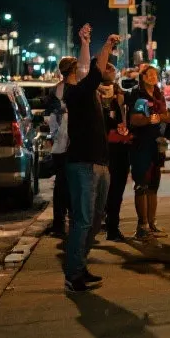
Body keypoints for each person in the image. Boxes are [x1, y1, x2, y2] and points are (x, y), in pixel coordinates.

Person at [62, 25, 118, 294]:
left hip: (99, 163)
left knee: (96, 219)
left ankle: (79, 265)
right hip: (83, 164)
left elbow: (92, 71)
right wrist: (103, 45)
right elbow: (93, 70)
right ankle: (73, 274)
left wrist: (87, 43)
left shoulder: (91, 94)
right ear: (74, 75)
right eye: (80, 71)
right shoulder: (75, 93)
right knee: (83, 220)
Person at [127, 65, 170, 241]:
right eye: (149, 74)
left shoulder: (158, 93)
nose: (153, 77)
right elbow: (134, 120)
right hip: (141, 145)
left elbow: (167, 115)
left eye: (155, 74)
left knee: (154, 186)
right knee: (141, 185)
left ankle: (151, 224)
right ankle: (142, 225)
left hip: (156, 144)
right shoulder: (137, 94)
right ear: (142, 77)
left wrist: (160, 118)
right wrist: (150, 119)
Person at [43, 56, 77, 237]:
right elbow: (49, 116)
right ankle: (61, 222)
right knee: (64, 184)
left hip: (70, 143)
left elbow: (48, 116)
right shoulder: (57, 90)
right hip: (64, 144)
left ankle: (66, 222)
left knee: (67, 184)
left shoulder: (67, 89)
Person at [99, 64, 130, 242]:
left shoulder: (120, 93)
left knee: (117, 189)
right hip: (105, 147)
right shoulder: (96, 94)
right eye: (107, 70)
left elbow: (124, 117)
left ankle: (113, 225)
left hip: (120, 146)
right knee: (106, 189)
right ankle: (105, 223)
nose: (111, 74)